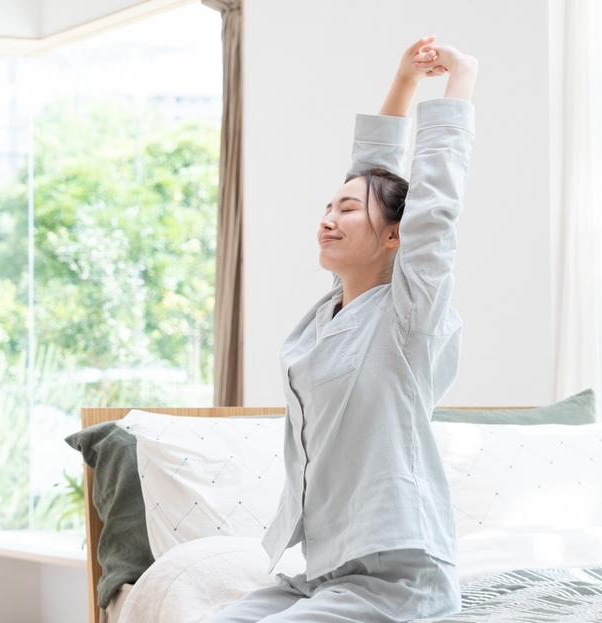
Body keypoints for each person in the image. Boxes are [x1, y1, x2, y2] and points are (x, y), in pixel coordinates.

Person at [205, 37, 479, 623]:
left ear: (394, 238)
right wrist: (403, 81)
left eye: (347, 210)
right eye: (327, 207)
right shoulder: (330, 314)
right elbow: (369, 175)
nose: (328, 218)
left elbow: (432, 206)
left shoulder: (410, 315)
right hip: (326, 570)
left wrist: (461, 82)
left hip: (399, 577)